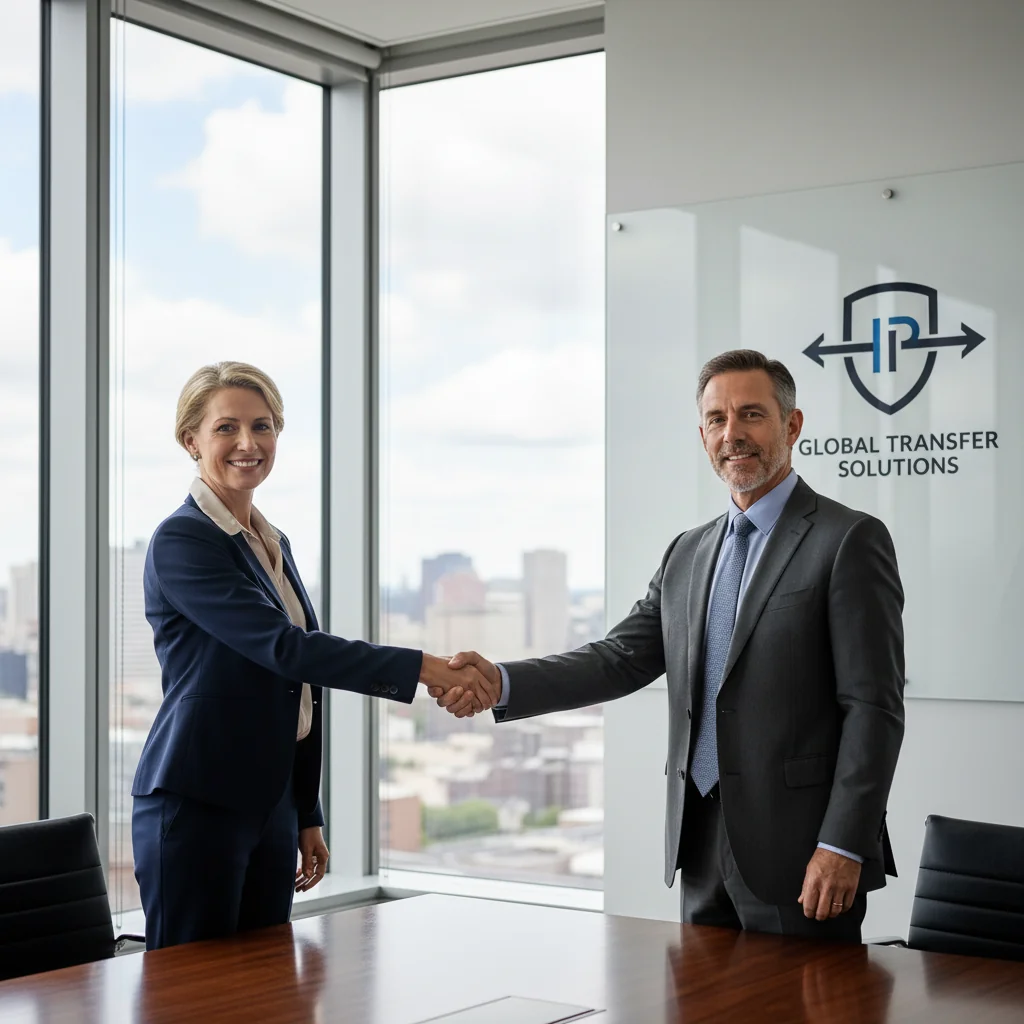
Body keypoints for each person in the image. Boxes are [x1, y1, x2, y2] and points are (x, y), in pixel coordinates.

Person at [431, 350, 905, 941]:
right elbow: (617, 660)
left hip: (803, 850)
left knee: (806, 994)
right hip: (697, 837)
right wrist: (500, 681)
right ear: (703, 436)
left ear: (792, 425)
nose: (732, 434)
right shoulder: (688, 552)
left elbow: (873, 708)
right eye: (716, 419)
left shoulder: (848, 539)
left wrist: (843, 844)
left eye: (751, 414)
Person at [132, 362, 498, 950]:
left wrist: (305, 811)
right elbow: (286, 651)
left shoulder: (270, 541)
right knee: (189, 988)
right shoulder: (184, 539)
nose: (248, 443)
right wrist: (424, 668)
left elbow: (294, 694)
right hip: (200, 800)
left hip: (270, 803)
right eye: (226, 427)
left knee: (268, 980)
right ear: (190, 440)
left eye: (263, 426)